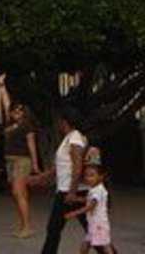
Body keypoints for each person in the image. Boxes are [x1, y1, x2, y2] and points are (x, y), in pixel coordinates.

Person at [37, 105, 88, 254]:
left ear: (64, 121)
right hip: (68, 190)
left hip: (71, 192)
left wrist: (72, 192)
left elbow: (77, 166)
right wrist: (43, 177)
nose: (58, 124)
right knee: (55, 229)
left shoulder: (75, 138)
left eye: (59, 121)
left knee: (54, 229)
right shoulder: (69, 138)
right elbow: (61, 165)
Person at [4, 103, 41, 239]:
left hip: (22, 160)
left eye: (20, 110)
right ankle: (24, 225)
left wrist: (35, 164)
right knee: (20, 194)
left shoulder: (27, 126)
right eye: (14, 110)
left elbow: (32, 145)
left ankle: (27, 227)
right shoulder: (11, 124)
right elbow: (6, 103)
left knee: (17, 192)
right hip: (11, 161)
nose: (16, 112)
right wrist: (2, 87)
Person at [65, 164, 114, 254]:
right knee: (87, 244)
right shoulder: (94, 189)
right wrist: (76, 199)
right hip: (94, 223)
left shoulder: (98, 190)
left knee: (105, 246)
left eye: (92, 175)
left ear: (100, 177)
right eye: (86, 175)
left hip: (98, 224)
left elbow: (90, 206)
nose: (88, 178)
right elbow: (88, 199)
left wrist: (74, 213)